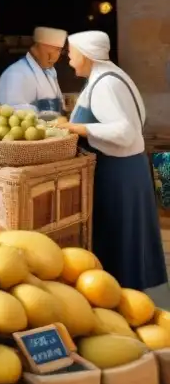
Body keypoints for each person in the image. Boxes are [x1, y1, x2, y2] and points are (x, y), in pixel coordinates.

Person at [56, 31, 167, 291]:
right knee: (123, 238)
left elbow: (125, 131)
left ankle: (119, 295)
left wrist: (77, 129)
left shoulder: (106, 84)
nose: (69, 60)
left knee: (119, 238)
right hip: (124, 169)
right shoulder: (109, 76)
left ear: (84, 54)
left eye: (71, 53)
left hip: (118, 174)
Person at [0, 26, 67, 114]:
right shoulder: (15, 74)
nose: (53, 58)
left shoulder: (50, 72)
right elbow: (15, 113)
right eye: (48, 54)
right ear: (35, 48)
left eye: (58, 51)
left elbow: (59, 104)